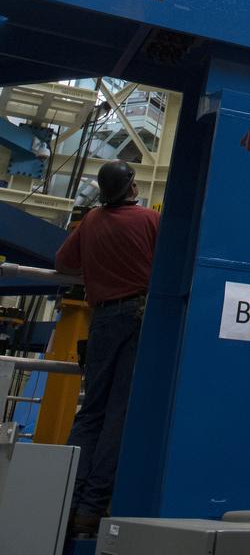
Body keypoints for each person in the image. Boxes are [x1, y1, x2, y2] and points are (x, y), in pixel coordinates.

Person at [54, 161, 160, 540]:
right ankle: (90, 511)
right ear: (132, 188)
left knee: (91, 410)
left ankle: (64, 499)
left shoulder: (91, 223)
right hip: (137, 317)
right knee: (119, 412)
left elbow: (64, 263)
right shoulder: (150, 220)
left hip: (100, 320)